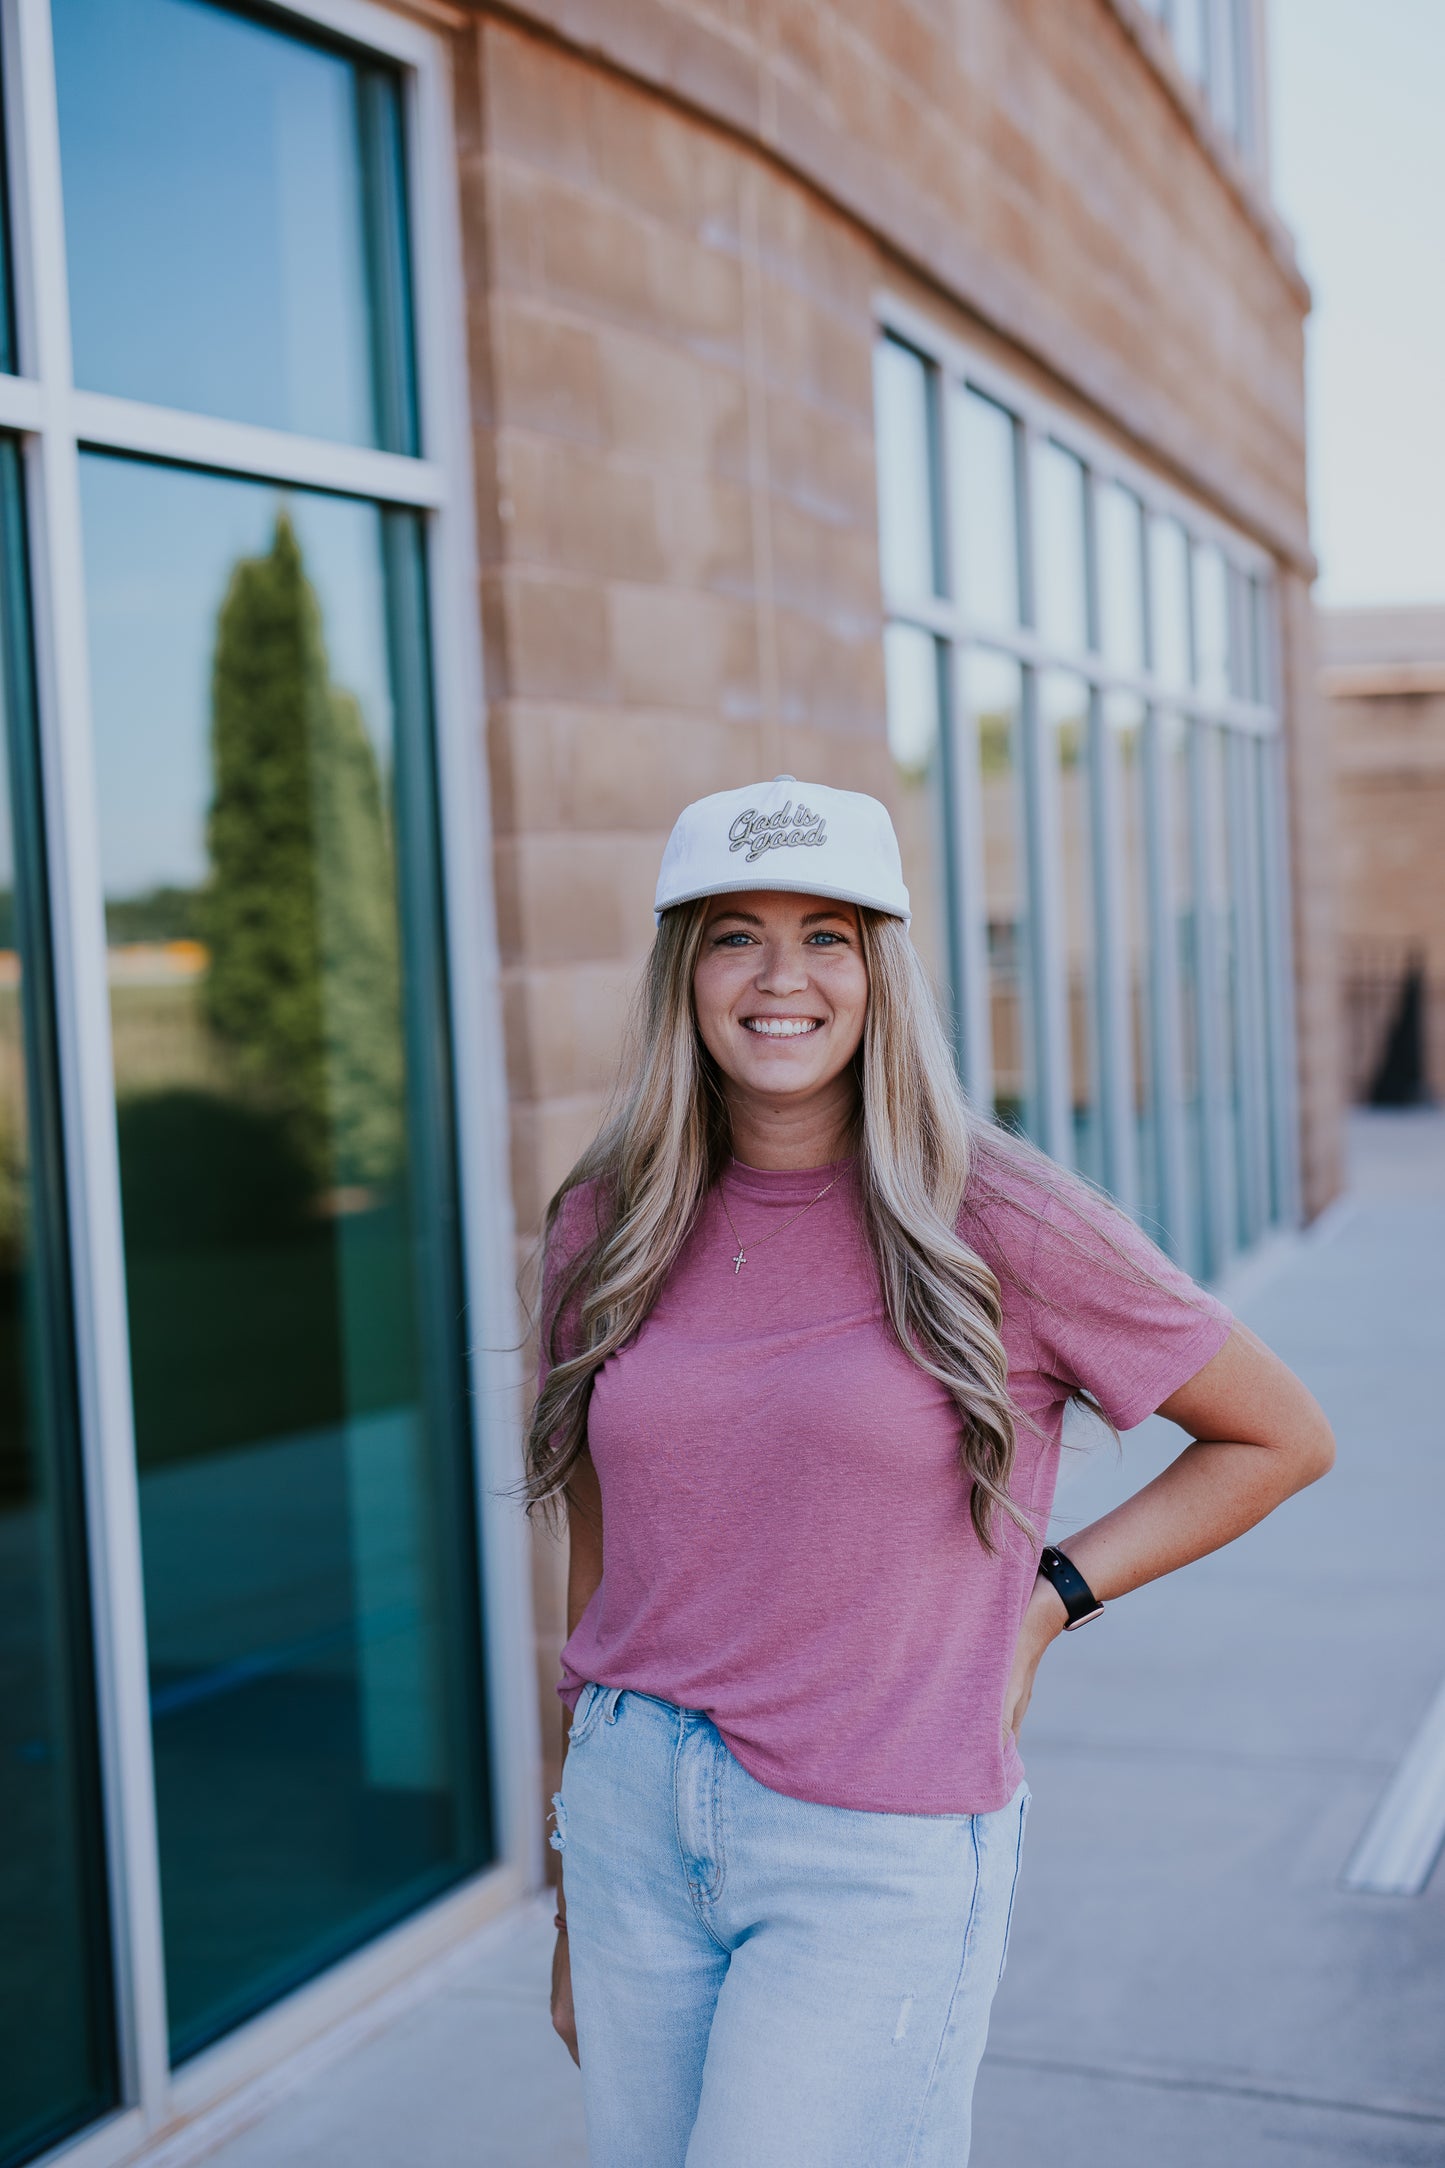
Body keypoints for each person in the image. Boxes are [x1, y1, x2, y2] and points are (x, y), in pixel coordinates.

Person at [530, 776, 1333, 2167]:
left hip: (872, 1835)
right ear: (684, 970)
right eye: (735, 934)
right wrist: (566, 1887)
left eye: (827, 935)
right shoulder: (606, 1219)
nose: (782, 978)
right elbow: (600, 1561)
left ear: (879, 967)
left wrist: (1047, 1597)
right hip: (630, 1823)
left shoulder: (998, 1215)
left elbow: (1277, 1434)